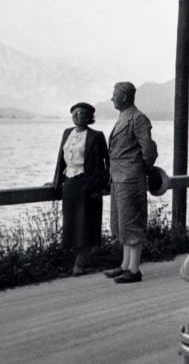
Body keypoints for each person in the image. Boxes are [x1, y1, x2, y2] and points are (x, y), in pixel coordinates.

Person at [104, 81, 158, 284]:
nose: (112, 98)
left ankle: (134, 270)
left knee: (132, 223)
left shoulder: (138, 119)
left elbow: (149, 150)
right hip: (118, 178)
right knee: (121, 223)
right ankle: (125, 265)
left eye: (115, 94)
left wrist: (141, 168)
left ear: (125, 97)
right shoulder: (124, 117)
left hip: (130, 178)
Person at [51, 102, 110, 276]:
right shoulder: (67, 133)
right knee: (71, 223)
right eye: (74, 113)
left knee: (86, 223)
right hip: (69, 184)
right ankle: (76, 260)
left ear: (89, 117)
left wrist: (101, 184)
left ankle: (81, 263)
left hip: (87, 183)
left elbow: (107, 162)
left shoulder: (96, 136)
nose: (77, 116)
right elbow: (61, 159)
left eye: (81, 113)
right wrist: (56, 180)